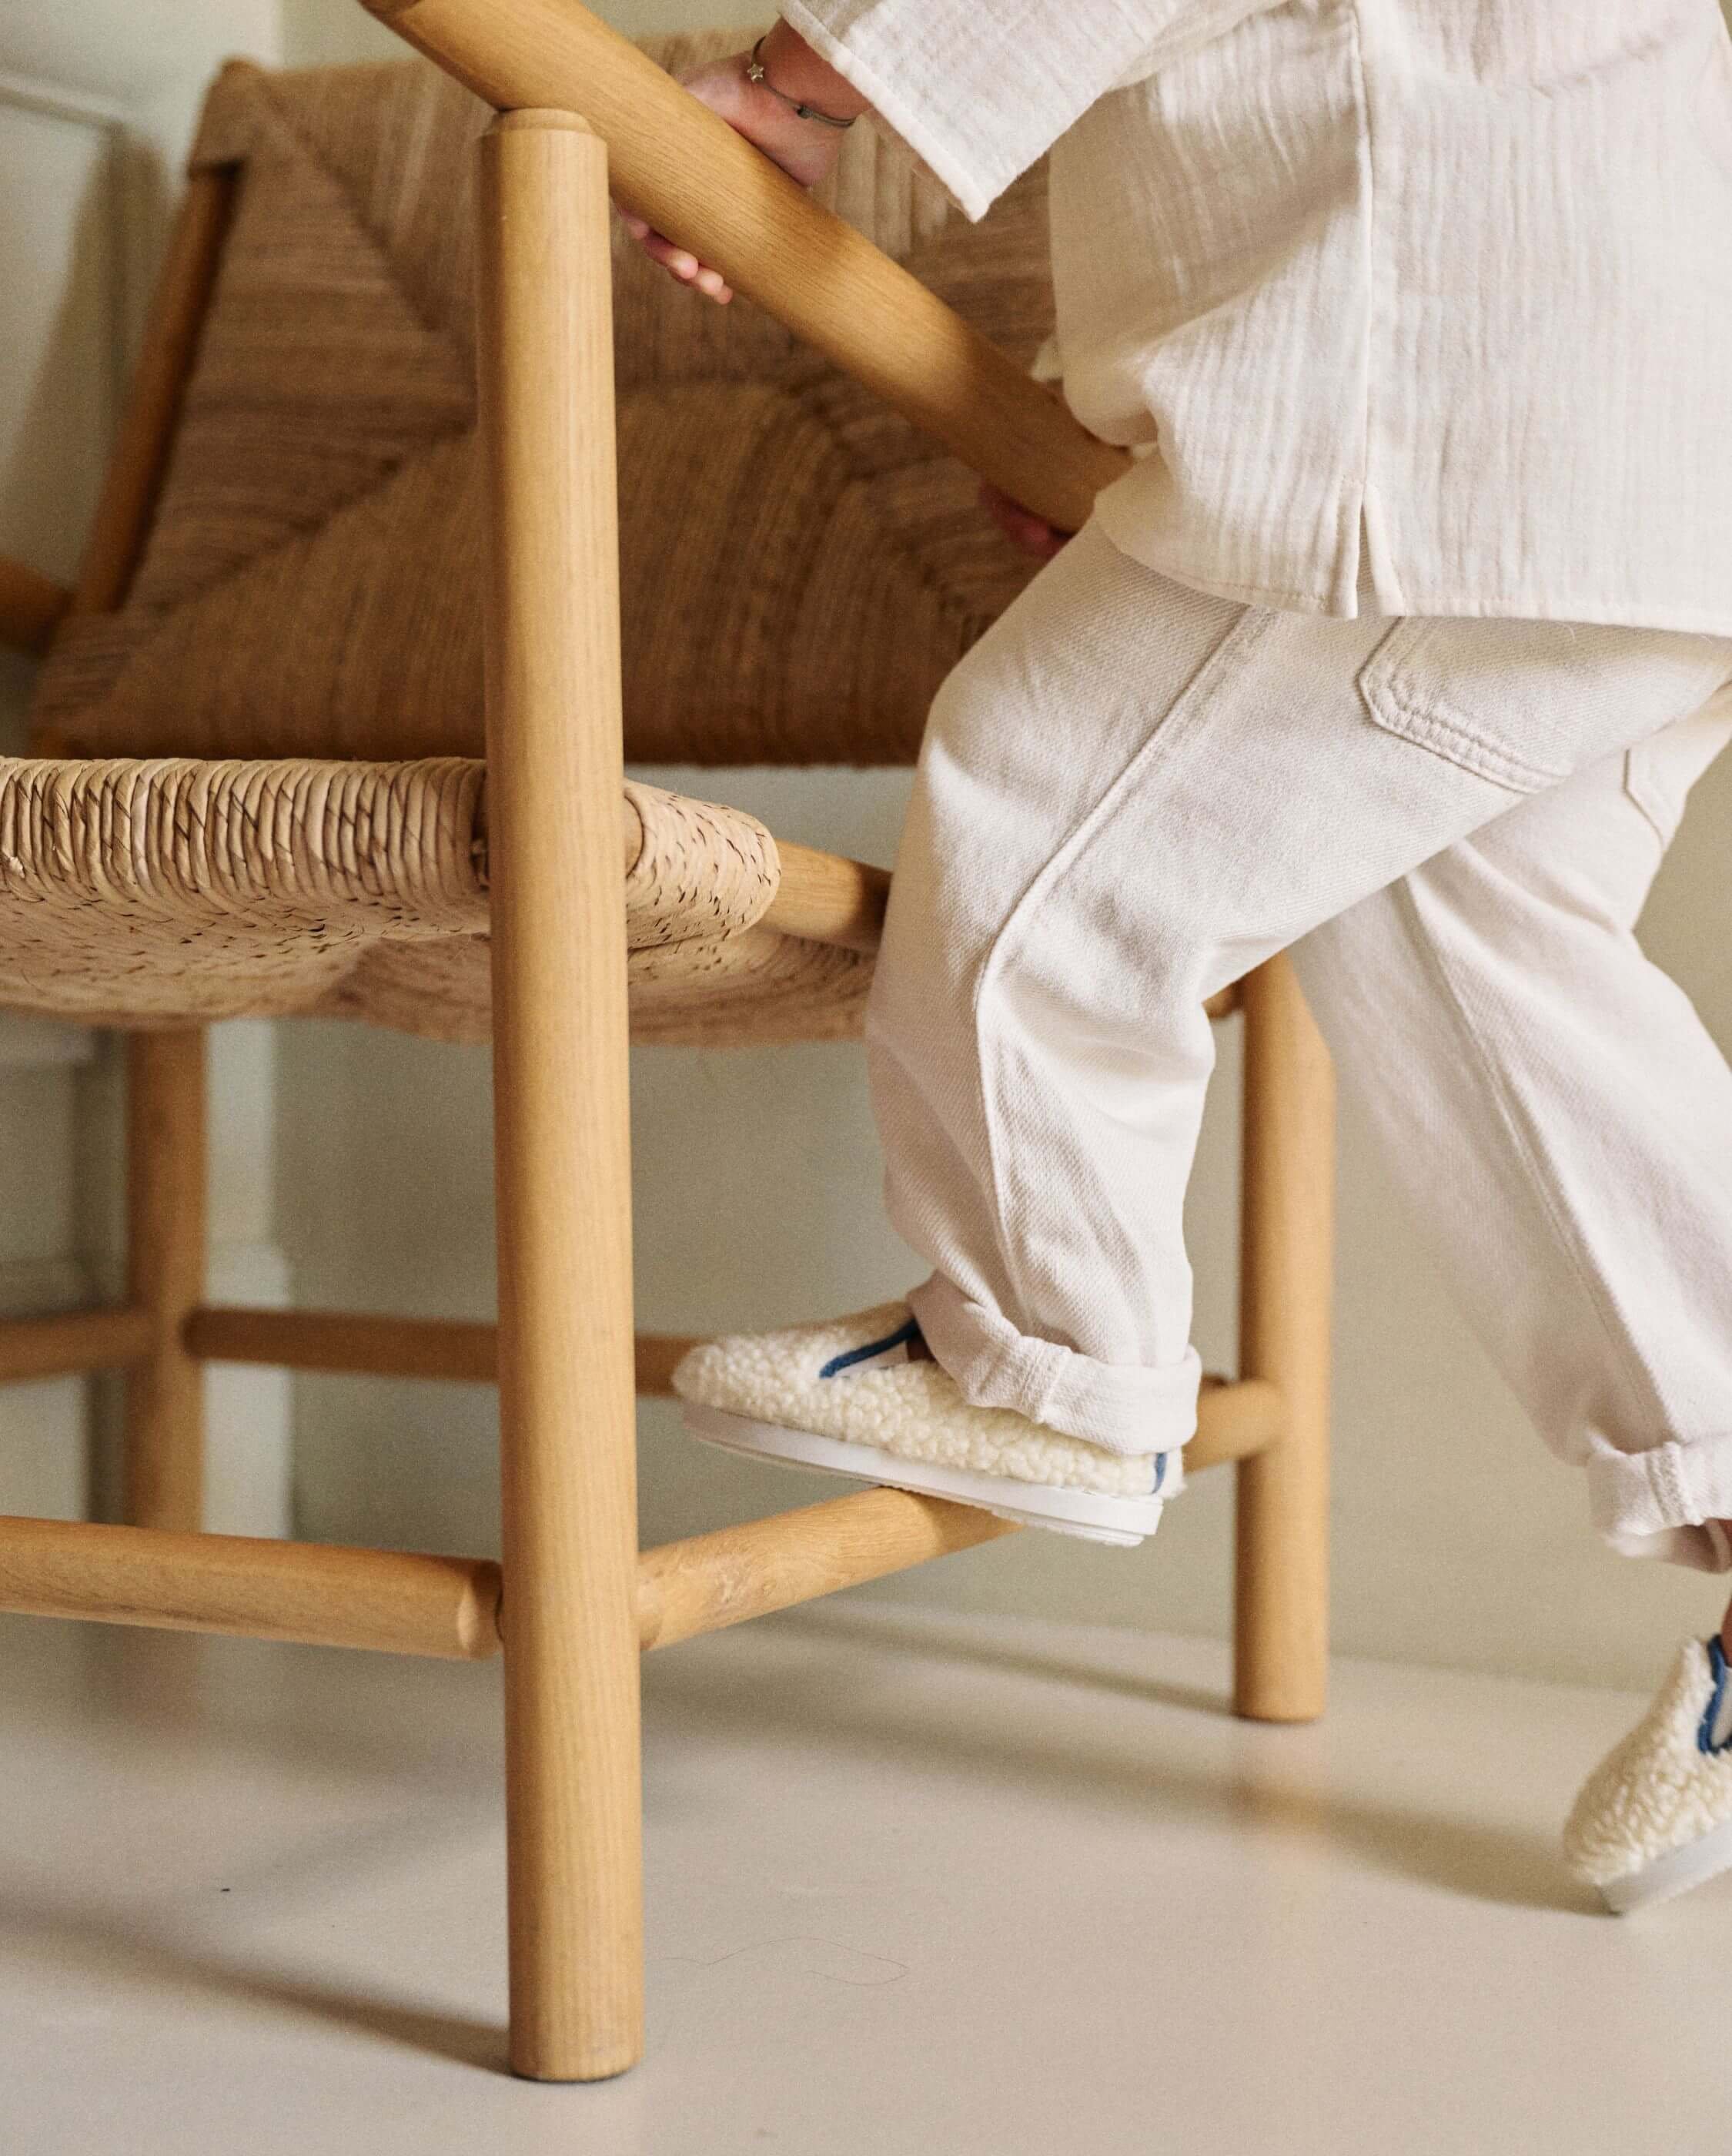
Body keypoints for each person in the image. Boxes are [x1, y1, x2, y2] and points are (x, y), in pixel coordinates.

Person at [626, 2, 1732, 1907]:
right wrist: (1111, 411)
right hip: (1637, 432)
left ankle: (1051, 1364)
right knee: (1483, 952)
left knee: (1046, 809)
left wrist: (801, 92)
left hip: (1444, 416)